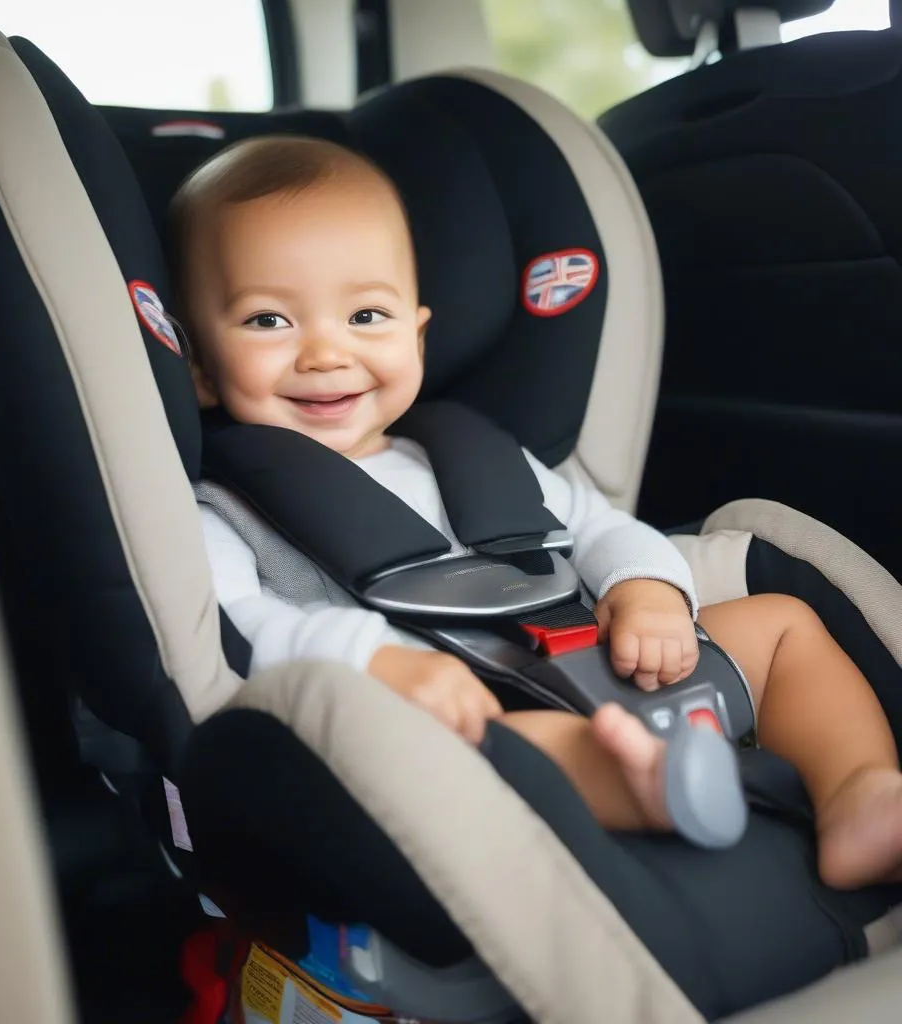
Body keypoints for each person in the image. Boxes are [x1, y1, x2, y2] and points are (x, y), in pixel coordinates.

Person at [170, 134, 902, 890]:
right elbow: (233, 625)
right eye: (268, 321)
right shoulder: (221, 510)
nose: (325, 353)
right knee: (491, 741)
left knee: (783, 625)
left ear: (417, 334)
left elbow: (597, 526)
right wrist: (374, 662)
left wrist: (643, 588)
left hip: (590, 657)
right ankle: (647, 788)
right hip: (441, 708)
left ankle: (860, 792)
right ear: (197, 366)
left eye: (365, 315)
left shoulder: (467, 455)